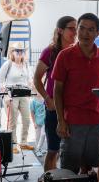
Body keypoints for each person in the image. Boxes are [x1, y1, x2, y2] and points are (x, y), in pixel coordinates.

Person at [53, 13, 99, 174]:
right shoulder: (65, 56)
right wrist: (61, 120)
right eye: (82, 28)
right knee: (69, 169)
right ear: (77, 30)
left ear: (98, 33)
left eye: (91, 30)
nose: (85, 33)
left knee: (90, 166)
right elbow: (58, 91)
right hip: (72, 120)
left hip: (95, 120)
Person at [33, 16, 77, 171]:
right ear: (60, 30)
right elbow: (37, 78)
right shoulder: (50, 52)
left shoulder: (76, 52)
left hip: (73, 108)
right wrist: (47, 98)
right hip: (54, 108)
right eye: (71, 28)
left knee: (70, 151)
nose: (75, 32)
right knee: (53, 150)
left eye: (76, 28)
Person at [0, 42, 33, 153]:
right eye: (17, 50)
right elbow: (0, 80)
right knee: (12, 121)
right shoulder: (8, 64)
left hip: (24, 94)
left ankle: (23, 142)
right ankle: (13, 144)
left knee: (27, 119)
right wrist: (5, 95)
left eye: (21, 51)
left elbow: (30, 79)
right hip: (11, 94)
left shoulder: (26, 65)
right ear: (12, 52)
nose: (19, 53)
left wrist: (30, 85)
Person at [30, 92, 46, 157]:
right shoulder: (33, 101)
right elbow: (32, 112)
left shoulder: (45, 99)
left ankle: (38, 149)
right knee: (37, 136)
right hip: (37, 121)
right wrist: (34, 122)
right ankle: (38, 149)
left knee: (43, 134)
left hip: (45, 121)